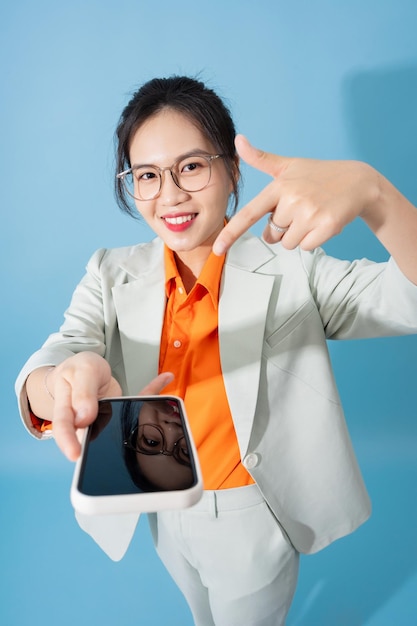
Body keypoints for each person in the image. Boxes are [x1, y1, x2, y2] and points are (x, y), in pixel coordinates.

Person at [15, 75, 417, 625]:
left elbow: (408, 298)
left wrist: (376, 195)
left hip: (253, 511)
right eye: (148, 176)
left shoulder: (292, 265)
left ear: (231, 170)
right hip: (162, 499)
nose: (171, 195)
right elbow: (62, 350)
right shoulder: (111, 272)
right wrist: (59, 380)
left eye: (192, 166)